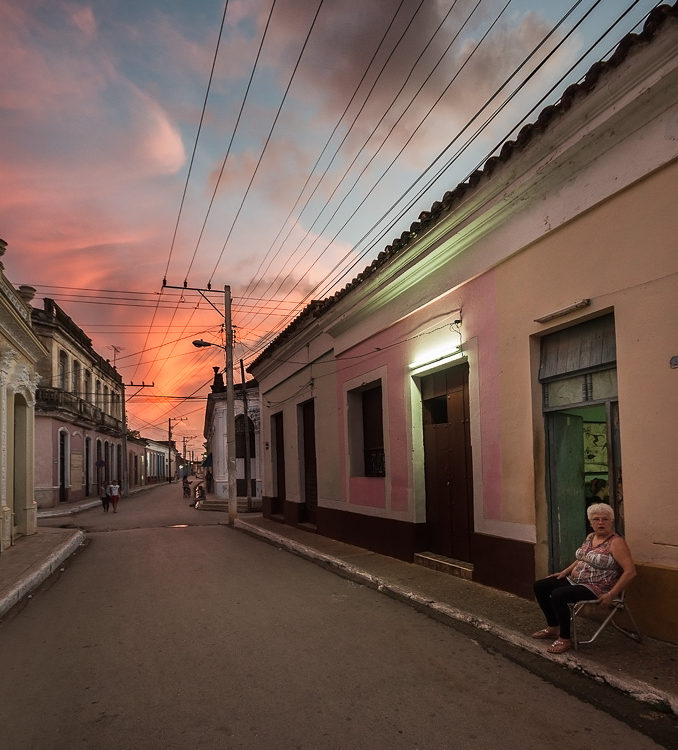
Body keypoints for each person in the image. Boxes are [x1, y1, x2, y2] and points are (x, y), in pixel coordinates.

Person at [532, 502, 636, 654]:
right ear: (591, 522)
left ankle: (564, 638)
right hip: (576, 580)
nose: (600, 522)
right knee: (540, 586)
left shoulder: (616, 543)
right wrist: (565, 571)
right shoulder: (590, 537)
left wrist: (611, 594)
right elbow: (582, 558)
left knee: (558, 595)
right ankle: (553, 627)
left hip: (597, 587)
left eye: (605, 519)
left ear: (611, 521)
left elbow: (630, 571)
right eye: (596, 519)